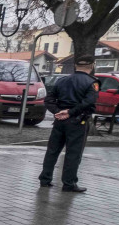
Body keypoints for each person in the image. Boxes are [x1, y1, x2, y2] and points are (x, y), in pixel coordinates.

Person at [39, 55, 98, 193]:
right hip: (78, 121)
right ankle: (69, 183)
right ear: (92, 65)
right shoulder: (92, 83)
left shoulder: (62, 80)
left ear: (75, 66)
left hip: (60, 121)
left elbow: (49, 99)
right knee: (73, 153)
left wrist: (58, 112)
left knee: (52, 151)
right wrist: (70, 112)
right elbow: (88, 102)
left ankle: (45, 179)